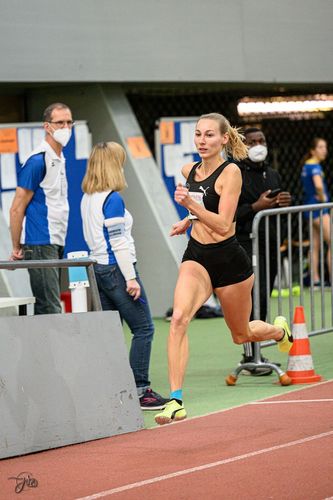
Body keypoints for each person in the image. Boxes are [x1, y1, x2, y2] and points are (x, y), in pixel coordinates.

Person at [154, 113, 293, 425]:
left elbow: (222, 224)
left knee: (241, 334)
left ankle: (280, 331)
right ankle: (176, 400)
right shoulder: (188, 169)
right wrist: (186, 221)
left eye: (209, 136)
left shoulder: (231, 173)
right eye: (198, 135)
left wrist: (191, 208)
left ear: (224, 139)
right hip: (197, 256)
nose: (202, 141)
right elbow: (203, 211)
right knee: (178, 319)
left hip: (229, 260)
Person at [80, 141, 168, 410]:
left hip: (98, 268)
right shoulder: (112, 198)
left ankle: (112, 389)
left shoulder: (87, 197)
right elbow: (118, 241)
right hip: (117, 269)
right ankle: (140, 390)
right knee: (144, 328)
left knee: (113, 332)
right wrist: (130, 277)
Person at [236, 128, 292, 375]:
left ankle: (258, 352)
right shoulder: (234, 174)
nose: (258, 145)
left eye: (262, 141)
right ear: (242, 146)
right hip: (244, 243)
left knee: (263, 297)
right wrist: (255, 206)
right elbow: (230, 213)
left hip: (269, 243)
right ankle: (248, 356)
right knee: (249, 299)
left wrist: (283, 204)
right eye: (252, 142)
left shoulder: (273, 174)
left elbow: (276, 207)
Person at [9, 102, 73, 314]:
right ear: (47, 126)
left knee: (47, 307)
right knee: (50, 308)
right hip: (39, 241)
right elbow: (17, 208)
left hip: (55, 239)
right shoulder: (38, 160)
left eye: (69, 122)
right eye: (59, 123)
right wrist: (17, 246)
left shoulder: (60, 158)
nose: (65, 127)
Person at [301, 137, 331, 285]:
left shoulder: (306, 166)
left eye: (324, 147)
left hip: (309, 208)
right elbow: (318, 186)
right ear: (312, 151)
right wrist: (323, 199)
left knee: (314, 245)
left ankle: (315, 279)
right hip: (319, 209)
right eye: (320, 147)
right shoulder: (315, 168)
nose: (324, 150)